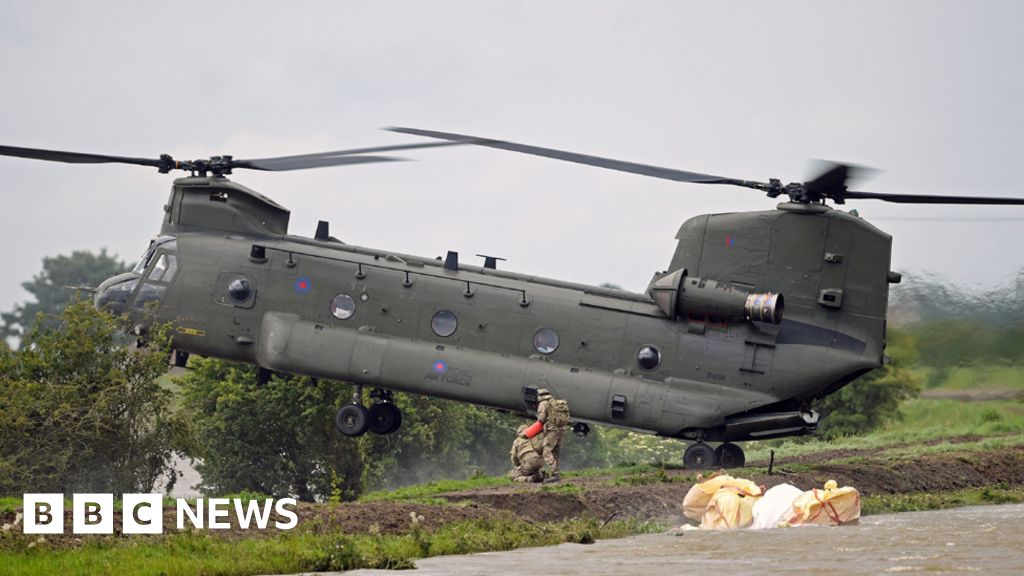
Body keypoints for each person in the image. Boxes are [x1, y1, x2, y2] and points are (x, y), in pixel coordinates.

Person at [535, 388, 571, 482]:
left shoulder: (543, 404)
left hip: (552, 430)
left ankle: (555, 474)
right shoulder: (555, 402)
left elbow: (541, 419)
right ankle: (556, 473)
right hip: (562, 429)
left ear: (540, 396)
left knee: (546, 451)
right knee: (555, 451)